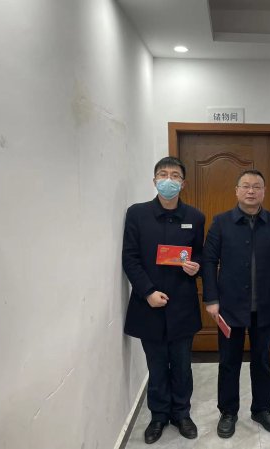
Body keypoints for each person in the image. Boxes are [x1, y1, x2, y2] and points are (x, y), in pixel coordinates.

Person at [202, 169, 270, 439]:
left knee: (262, 360)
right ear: (236, 191)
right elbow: (209, 261)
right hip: (229, 306)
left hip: (265, 305)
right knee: (229, 361)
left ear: (264, 191)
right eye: (245, 186)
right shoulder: (221, 222)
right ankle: (228, 412)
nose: (251, 191)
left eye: (256, 186)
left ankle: (262, 409)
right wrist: (211, 299)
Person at [122, 156, 205, 444]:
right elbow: (130, 257)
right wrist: (147, 292)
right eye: (163, 174)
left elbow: (199, 255)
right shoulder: (137, 214)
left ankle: (182, 414)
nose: (169, 180)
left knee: (182, 365)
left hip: (182, 304)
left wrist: (196, 266)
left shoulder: (195, 217)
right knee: (156, 365)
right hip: (149, 304)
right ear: (154, 180)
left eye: (175, 175)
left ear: (184, 183)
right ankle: (158, 416)